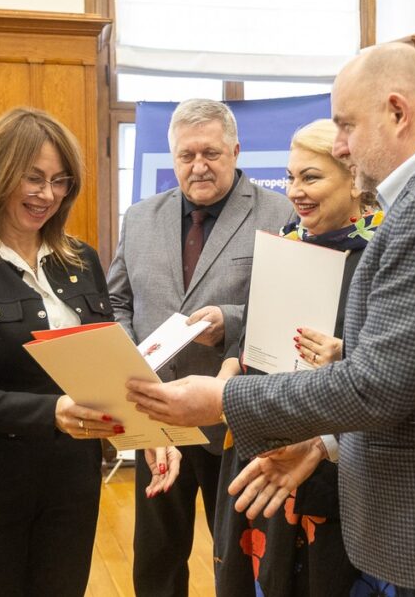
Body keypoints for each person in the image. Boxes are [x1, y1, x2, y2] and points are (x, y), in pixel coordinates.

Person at [126, 42, 415, 596]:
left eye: (345, 125)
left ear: (397, 112)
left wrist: (221, 399)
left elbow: (378, 387)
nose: (340, 143)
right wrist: (323, 443)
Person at [0, 107, 119, 596]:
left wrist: (148, 427)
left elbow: (107, 364)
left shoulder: (81, 259)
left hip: (73, 479)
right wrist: (52, 411)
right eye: (32, 178)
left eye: (59, 181)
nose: (47, 195)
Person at [107, 98, 293, 596]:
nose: (199, 166)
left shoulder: (281, 213)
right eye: (186, 155)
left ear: (236, 150)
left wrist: (230, 322)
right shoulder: (141, 217)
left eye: (211, 152)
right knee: (156, 559)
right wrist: (130, 361)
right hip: (156, 416)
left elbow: (289, 311)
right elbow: (115, 302)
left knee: (235, 561)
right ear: (172, 158)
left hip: (232, 418)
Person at [212, 119, 386, 596]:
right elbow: (249, 329)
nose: (294, 192)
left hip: (335, 458)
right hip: (261, 439)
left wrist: (346, 355)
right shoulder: (285, 242)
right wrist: (230, 365)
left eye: (310, 178)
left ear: (354, 180)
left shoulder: (384, 254)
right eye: (290, 178)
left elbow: (400, 366)